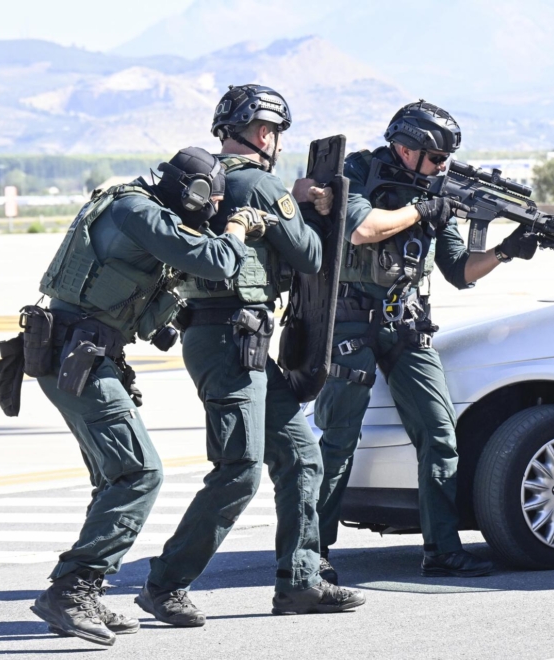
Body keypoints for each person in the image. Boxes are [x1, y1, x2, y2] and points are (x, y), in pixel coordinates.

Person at [138, 84, 364, 625]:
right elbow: (309, 255)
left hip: (232, 339)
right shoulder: (259, 184)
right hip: (233, 341)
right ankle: (166, 583)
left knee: (300, 456)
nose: (277, 143)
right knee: (240, 469)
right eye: (276, 134)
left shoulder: (206, 181)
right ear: (263, 133)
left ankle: (300, 583)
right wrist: (309, 203)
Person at [26, 147, 253, 646]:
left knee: (113, 476)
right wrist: (237, 228)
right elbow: (214, 262)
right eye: (211, 199)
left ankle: (86, 587)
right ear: (193, 192)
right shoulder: (140, 211)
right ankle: (71, 589)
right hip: (77, 352)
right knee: (138, 473)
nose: (213, 208)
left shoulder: (135, 203)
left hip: (79, 351)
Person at [315, 100, 540, 581]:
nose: (442, 168)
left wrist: (504, 251)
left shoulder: (434, 191)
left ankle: (441, 549)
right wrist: (421, 209)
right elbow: (360, 229)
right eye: (437, 159)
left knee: (440, 436)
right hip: (351, 323)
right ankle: (311, 555)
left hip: (407, 325)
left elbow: (459, 270)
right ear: (407, 148)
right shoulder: (357, 170)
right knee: (337, 440)